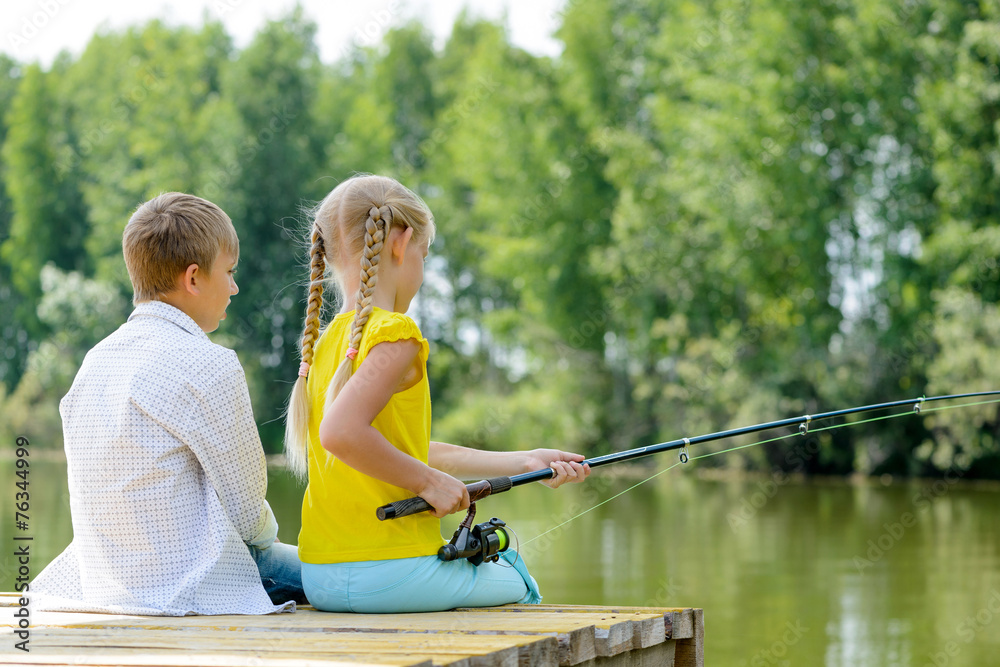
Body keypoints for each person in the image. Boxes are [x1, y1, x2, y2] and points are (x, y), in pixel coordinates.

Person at [284, 174, 590, 613]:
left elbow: (395, 450)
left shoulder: (325, 343)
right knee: (517, 573)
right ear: (401, 241)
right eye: (424, 256)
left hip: (320, 577)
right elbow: (340, 432)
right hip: (393, 575)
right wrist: (427, 482)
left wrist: (524, 462)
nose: (423, 273)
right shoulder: (395, 333)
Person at [33, 193, 306, 616]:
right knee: (345, 575)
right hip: (191, 585)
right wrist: (266, 537)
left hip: (106, 583)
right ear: (193, 278)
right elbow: (248, 512)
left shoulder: (94, 362)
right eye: (230, 273)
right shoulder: (209, 363)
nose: (234, 288)